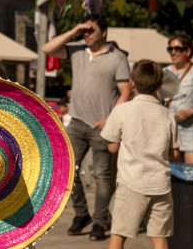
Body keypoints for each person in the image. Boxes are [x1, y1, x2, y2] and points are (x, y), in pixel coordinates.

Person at [41, 13, 132, 241]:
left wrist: (111, 120)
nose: (87, 34)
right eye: (85, 31)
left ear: (104, 31)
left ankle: (100, 222)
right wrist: (74, 31)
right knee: (66, 171)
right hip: (77, 122)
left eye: (91, 30)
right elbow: (47, 49)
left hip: (103, 125)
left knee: (102, 176)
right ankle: (82, 213)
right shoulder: (77, 50)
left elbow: (126, 92)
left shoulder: (118, 57)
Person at [101, 60, 181, 249]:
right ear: (160, 85)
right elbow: (175, 155)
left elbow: (112, 147)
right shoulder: (167, 115)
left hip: (131, 183)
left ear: (132, 83)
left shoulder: (122, 110)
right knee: (159, 237)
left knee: (118, 234)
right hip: (160, 184)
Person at [165, 33, 193, 163]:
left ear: (188, 51)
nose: (173, 52)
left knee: (192, 174)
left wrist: (191, 111)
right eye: (170, 49)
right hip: (170, 129)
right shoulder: (165, 72)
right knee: (173, 174)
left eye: (178, 49)